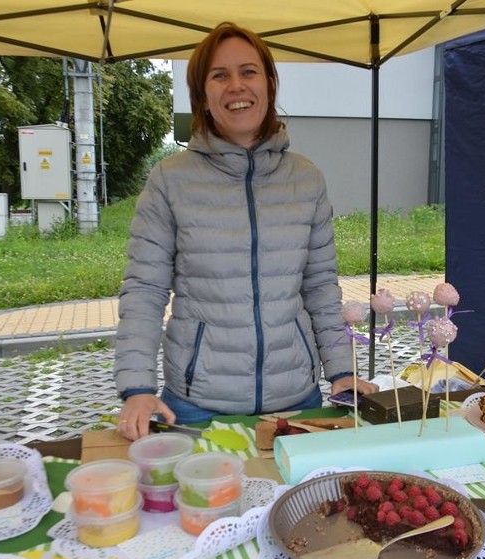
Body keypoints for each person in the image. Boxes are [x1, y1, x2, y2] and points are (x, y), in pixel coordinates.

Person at [114, 22, 377, 440]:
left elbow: (321, 287)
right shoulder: (170, 180)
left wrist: (343, 370)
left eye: (248, 72)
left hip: (297, 401)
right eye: (219, 75)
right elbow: (144, 289)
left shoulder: (306, 179)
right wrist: (137, 387)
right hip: (195, 406)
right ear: (202, 94)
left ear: (270, 83)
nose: (236, 86)